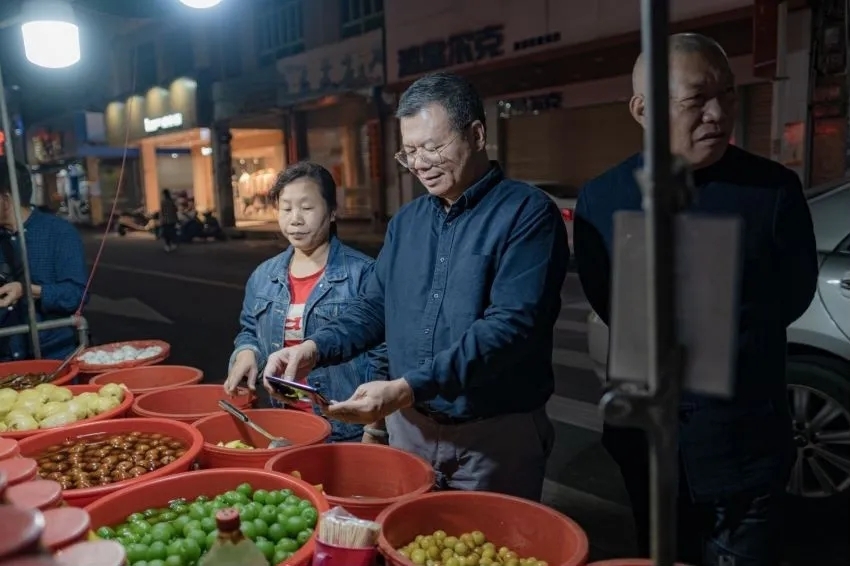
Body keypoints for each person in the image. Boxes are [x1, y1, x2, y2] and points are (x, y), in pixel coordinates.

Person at [262, 72, 570, 501]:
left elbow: (510, 327)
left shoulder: (527, 214)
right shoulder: (407, 222)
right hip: (411, 428)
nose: (421, 163)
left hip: (493, 433)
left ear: (477, 134)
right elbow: (373, 307)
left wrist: (406, 388)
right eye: (409, 152)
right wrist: (313, 349)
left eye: (432, 147)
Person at [574, 33, 818, 566]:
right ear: (642, 110)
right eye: (695, 100)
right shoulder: (603, 197)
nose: (717, 112)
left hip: (743, 443)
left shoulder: (771, 190)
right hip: (646, 445)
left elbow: (793, 295)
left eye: (727, 94)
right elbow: (610, 299)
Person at [223, 161, 388, 443]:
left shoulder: (363, 273)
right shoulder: (264, 276)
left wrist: (375, 429)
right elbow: (249, 331)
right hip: (284, 426)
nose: (295, 219)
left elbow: (383, 356)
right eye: (286, 208)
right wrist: (247, 353)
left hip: (346, 429)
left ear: (333, 211)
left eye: (307, 208)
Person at [0, 160, 88, 361]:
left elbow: (76, 295)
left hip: (54, 357)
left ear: (5, 198)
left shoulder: (59, 233)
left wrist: (28, 290)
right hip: (5, 361)